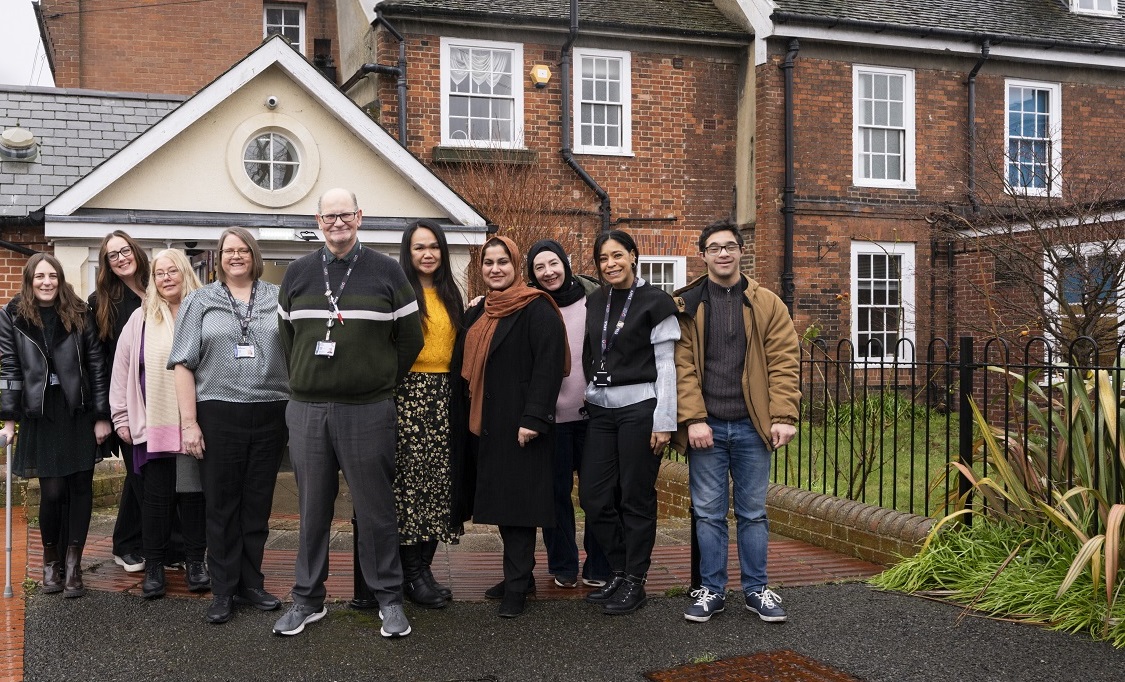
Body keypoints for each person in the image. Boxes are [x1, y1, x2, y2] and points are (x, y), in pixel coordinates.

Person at [274, 187, 423, 638]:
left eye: (345, 215)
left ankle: (389, 600)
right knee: (311, 510)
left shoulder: (387, 271)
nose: (337, 223)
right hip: (308, 411)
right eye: (329, 217)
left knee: (376, 510)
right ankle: (307, 599)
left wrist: (377, 380)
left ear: (359, 217)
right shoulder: (298, 273)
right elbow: (287, 339)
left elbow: (410, 339)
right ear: (317, 221)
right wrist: (310, 380)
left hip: (368, 410)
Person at [673, 219, 800, 623]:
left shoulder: (768, 304)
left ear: (742, 251)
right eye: (714, 248)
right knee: (708, 513)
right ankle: (711, 590)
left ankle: (756, 590)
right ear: (703, 255)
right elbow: (681, 367)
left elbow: (784, 362)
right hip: (706, 427)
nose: (723, 253)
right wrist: (693, 419)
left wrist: (783, 415)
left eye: (729, 246)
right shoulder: (687, 304)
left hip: (751, 426)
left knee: (753, 513)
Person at [169, 227, 290, 624]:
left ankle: (251, 584)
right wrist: (190, 424)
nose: (235, 256)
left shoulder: (279, 297)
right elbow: (183, 363)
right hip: (218, 413)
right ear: (219, 258)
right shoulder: (199, 300)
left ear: (254, 255)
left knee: (257, 506)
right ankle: (223, 590)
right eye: (228, 251)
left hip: (271, 411)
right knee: (221, 507)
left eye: (243, 250)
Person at [457, 235, 566, 618]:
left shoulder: (537, 308)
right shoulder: (480, 311)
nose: (495, 269)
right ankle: (520, 576)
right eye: (488, 262)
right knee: (504, 506)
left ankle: (517, 586)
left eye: (502, 261)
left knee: (519, 508)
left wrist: (534, 418)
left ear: (516, 265)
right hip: (486, 423)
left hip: (520, 424)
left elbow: (549, 366)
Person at [578, 229, 679, 615]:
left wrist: (664, 420)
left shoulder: (656, 301)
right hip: (601, 410)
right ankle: (619, 571)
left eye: (617, 255)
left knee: (635, 497)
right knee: (593, 496)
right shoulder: (595, 300)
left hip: (640, 408)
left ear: (633, 255)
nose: (610, 264)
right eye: (603, 259)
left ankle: (635, 581)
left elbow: (666, 364)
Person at [0, 253, 112, 599]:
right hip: (41, 413)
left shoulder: (79, 312)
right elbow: (9, 368)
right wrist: (8, 421)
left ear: (61, 279)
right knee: (51, 491)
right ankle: (51, 561)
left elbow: (96, 364)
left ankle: (74, 564)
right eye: (40, 277)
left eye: (52, 276)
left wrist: (101, 415)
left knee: (80, 487)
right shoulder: (13, 315)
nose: (47, 282)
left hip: (76, 410)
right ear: (30, 280)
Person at [110, 249, 209, 599]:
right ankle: (154, 566)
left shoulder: (205, 313)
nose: (166, 278)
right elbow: (121, 369)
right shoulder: (140, 318)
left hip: (196, 423)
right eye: (159, 273)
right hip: (155, 423)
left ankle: (196, 563)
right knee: (156, 500)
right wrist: (120, 416)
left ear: (185, 273)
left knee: (193, 497)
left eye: (172, 271)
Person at [525, 239, 612, 589]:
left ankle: (599, 564)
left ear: (565, 263)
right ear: (532, 274)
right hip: (551, 420)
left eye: (553, 263)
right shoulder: (531, 304)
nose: (548, 272)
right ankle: (563, 564)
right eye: (539, 267)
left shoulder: (594, 299)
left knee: (597, 495)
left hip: (593, 417)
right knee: (555, 495)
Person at [394, 219, 467, 608]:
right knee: (410, 488)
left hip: (445, 399)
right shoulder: (399, 294)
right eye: (419, 247)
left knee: (439, 488)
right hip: (408, 398)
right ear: (408, 252)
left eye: (434, 246)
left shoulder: (452, 295)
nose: (427, 254)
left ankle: (424, 571)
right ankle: (411, 575)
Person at [90, 230, 150, 574]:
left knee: (147, 473)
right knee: (139, 472)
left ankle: (131, 541)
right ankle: (130, 545)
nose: (121, 258)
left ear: (135, 251)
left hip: (162, 397)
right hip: (126, 402)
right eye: (112, 255)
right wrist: (104, 414)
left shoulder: (156, 287)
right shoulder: (101, 302)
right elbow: (97, 362)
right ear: (107, 264)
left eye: (124, 250)